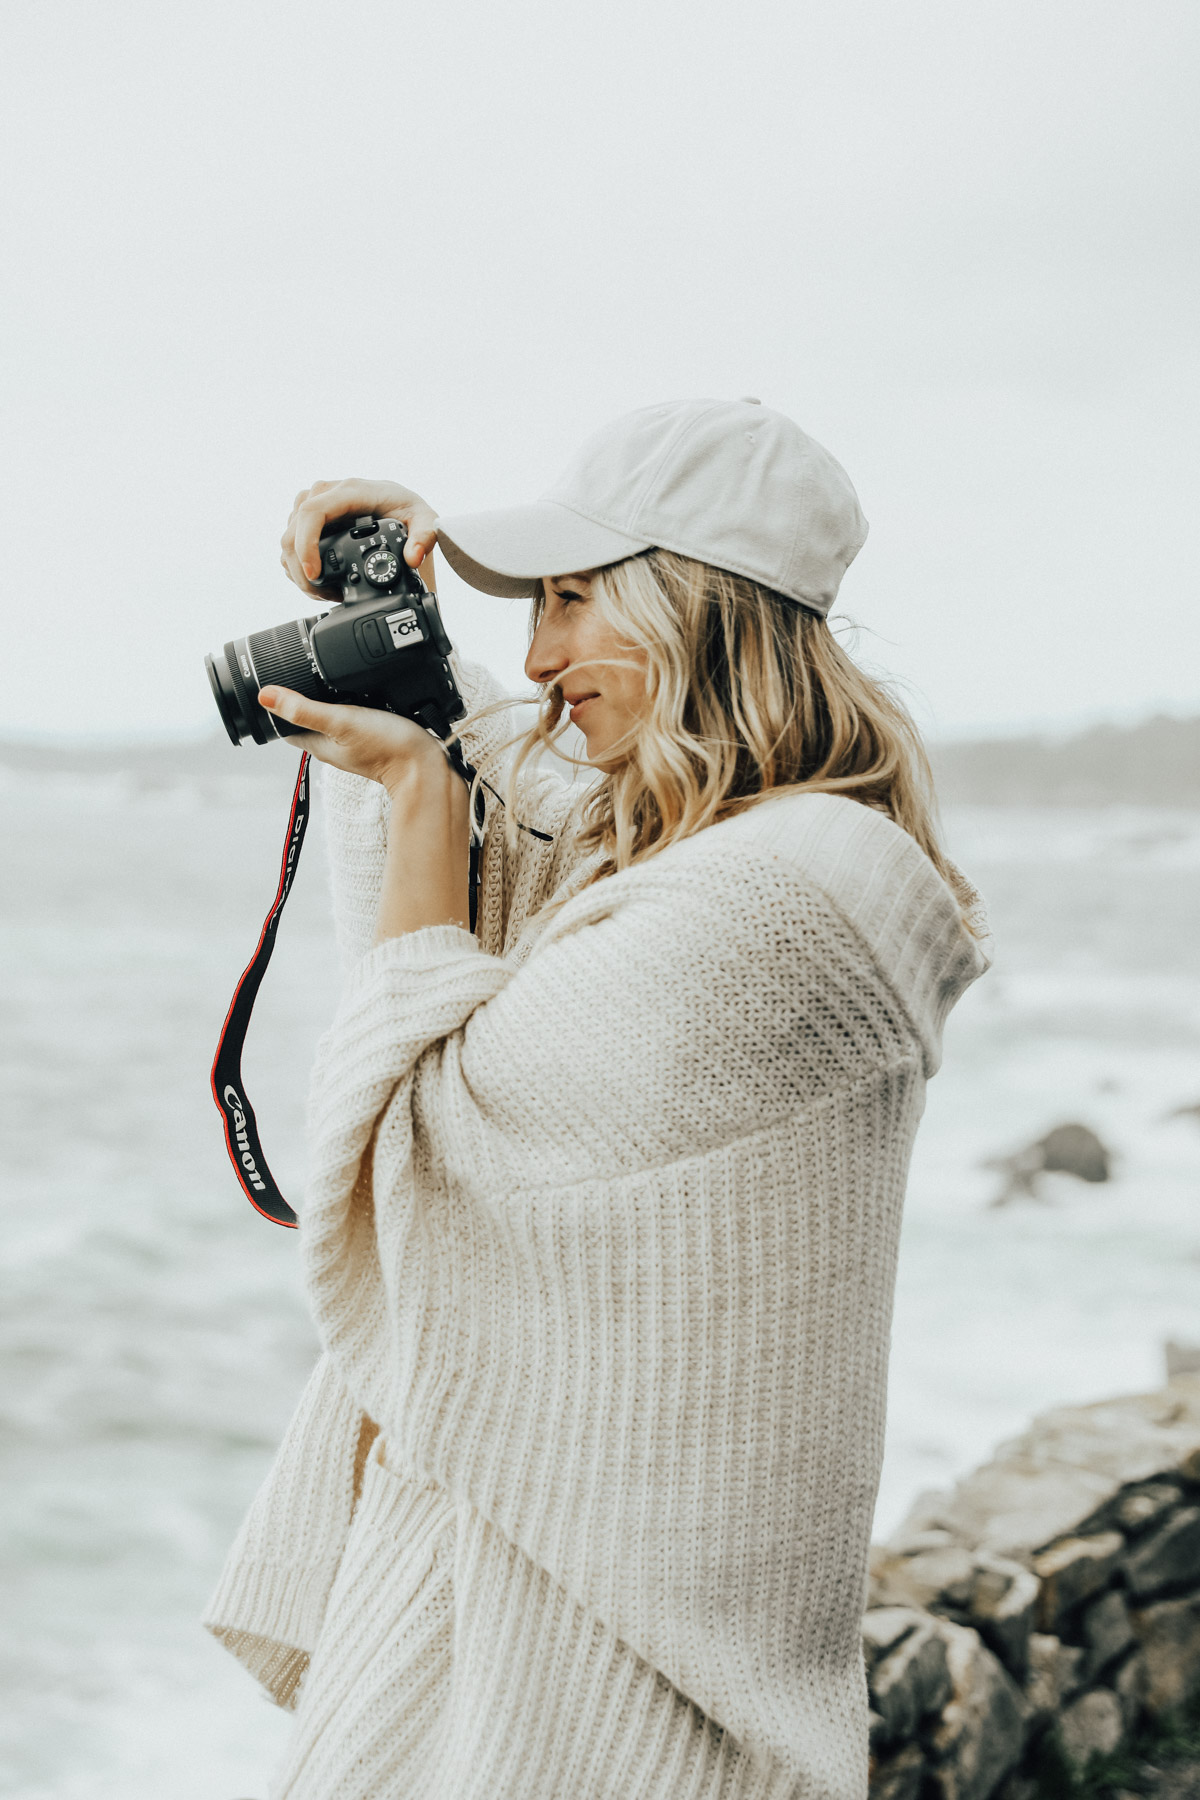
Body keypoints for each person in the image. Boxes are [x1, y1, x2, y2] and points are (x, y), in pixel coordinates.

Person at [204, 398, 990, 1800]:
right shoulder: (715, 846)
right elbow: (537, 828)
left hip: (608, 1679)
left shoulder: (780, 907)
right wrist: (407, 649)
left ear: (692, 607)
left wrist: (428, 807)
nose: (540, 656)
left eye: (574, 600)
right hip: (533, 1598)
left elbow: (417, 1150)